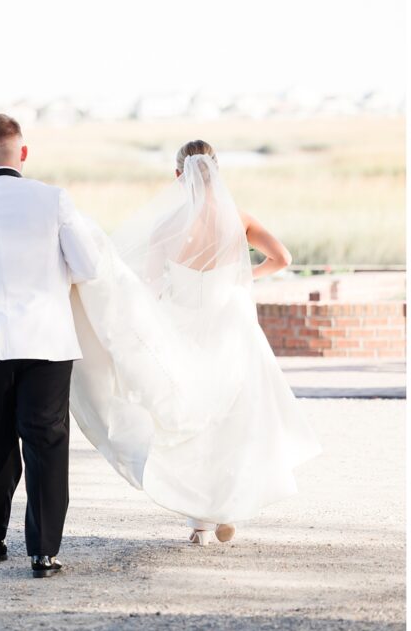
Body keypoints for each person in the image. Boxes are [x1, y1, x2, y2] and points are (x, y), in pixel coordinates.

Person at [69, 140, 320, 545]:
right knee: (235, 419)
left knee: (191, 417)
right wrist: (242, 278)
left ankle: (200, 519)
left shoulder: (166, 226)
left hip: (184, 326)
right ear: (217, 173)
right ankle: (229, 504)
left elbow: (150, 287)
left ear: (177, 177)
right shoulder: (239, 219)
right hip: (232, 324)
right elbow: (284, 259)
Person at [0, 114, 100, 578]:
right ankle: (43, 552)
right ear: (22, 153)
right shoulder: (53, 200)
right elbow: (87, 264)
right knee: (46, 440)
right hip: (47, 335)